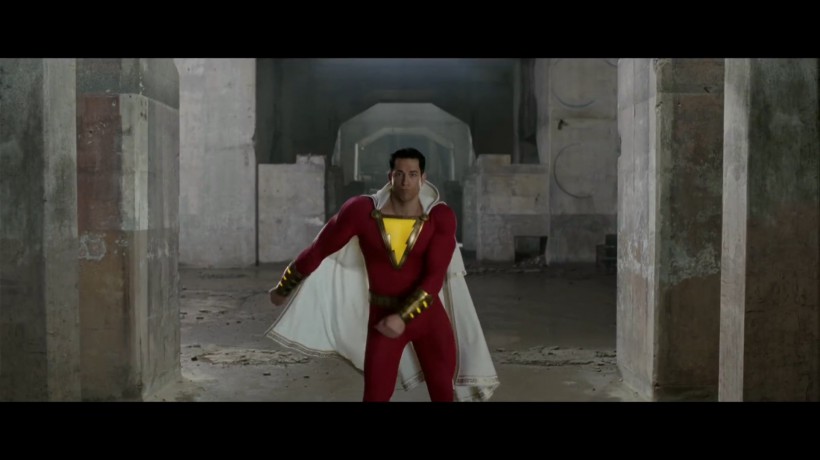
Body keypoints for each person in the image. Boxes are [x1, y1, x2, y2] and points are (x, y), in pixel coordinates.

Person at [267, 147, 498, 402]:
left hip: (429, 321)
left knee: (442, 392)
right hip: (383, 319)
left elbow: (434, 278)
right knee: (375, 395)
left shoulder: (439, 217)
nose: (405, 182)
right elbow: (318, 250)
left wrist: (402, 317)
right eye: (399, 174)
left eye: (412, 174)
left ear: (423, 178)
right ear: (390, 176)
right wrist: (284, 287)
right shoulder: (360, 211)